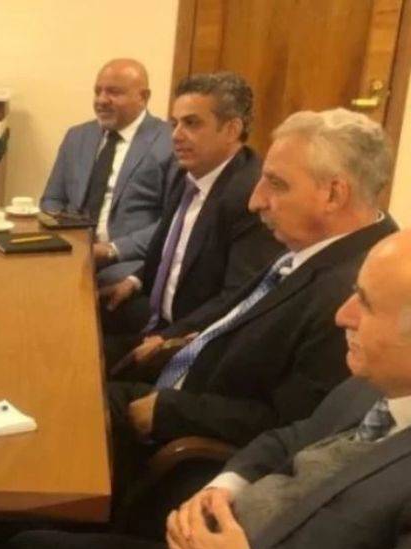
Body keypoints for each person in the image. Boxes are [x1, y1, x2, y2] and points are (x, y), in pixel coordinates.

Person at [0, 228, 411, 549]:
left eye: (366, 304)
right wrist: (224, 488)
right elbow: (288, 438)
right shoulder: (377, 385)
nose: (342, 315)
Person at [108, 108, 398, 487]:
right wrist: (182, 343)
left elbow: (297, 425)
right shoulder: (314, 244)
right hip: (183, 387)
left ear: (333, 194)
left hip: (196, 453)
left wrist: (169, 411)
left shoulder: (358, 291)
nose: (255, 201)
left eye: (276, 184)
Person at [98, 72, 282, 341]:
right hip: (156, 315)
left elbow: (239, 298)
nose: (176, 135)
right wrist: (134, 280)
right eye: (175, 124)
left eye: (191, 123)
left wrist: (166, 340)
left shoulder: (251, 197)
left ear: (231, 130)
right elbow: (171, 253)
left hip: (194, 339)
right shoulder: (188, 172)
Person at [40, 58, 173, 284]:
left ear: (143, 97)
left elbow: (172, 222)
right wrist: (64, 238)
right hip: (71, 253)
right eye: (97, 91)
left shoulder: (169, 142)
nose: (101, 100)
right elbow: (52, 199)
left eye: (114, 92)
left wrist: (113, 250)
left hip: (129, 263)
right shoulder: (77, 136)